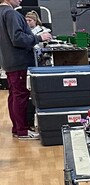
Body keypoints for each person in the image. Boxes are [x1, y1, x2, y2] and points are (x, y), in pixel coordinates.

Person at [0, 0, 52, 140]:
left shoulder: (2, 13)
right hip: (19, 61)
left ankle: (17, 128)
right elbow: (17, 38)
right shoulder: (11, 13)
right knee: (20, 96)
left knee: (15, 95)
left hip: (9, 61)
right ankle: (22, 130)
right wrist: (38, 37)